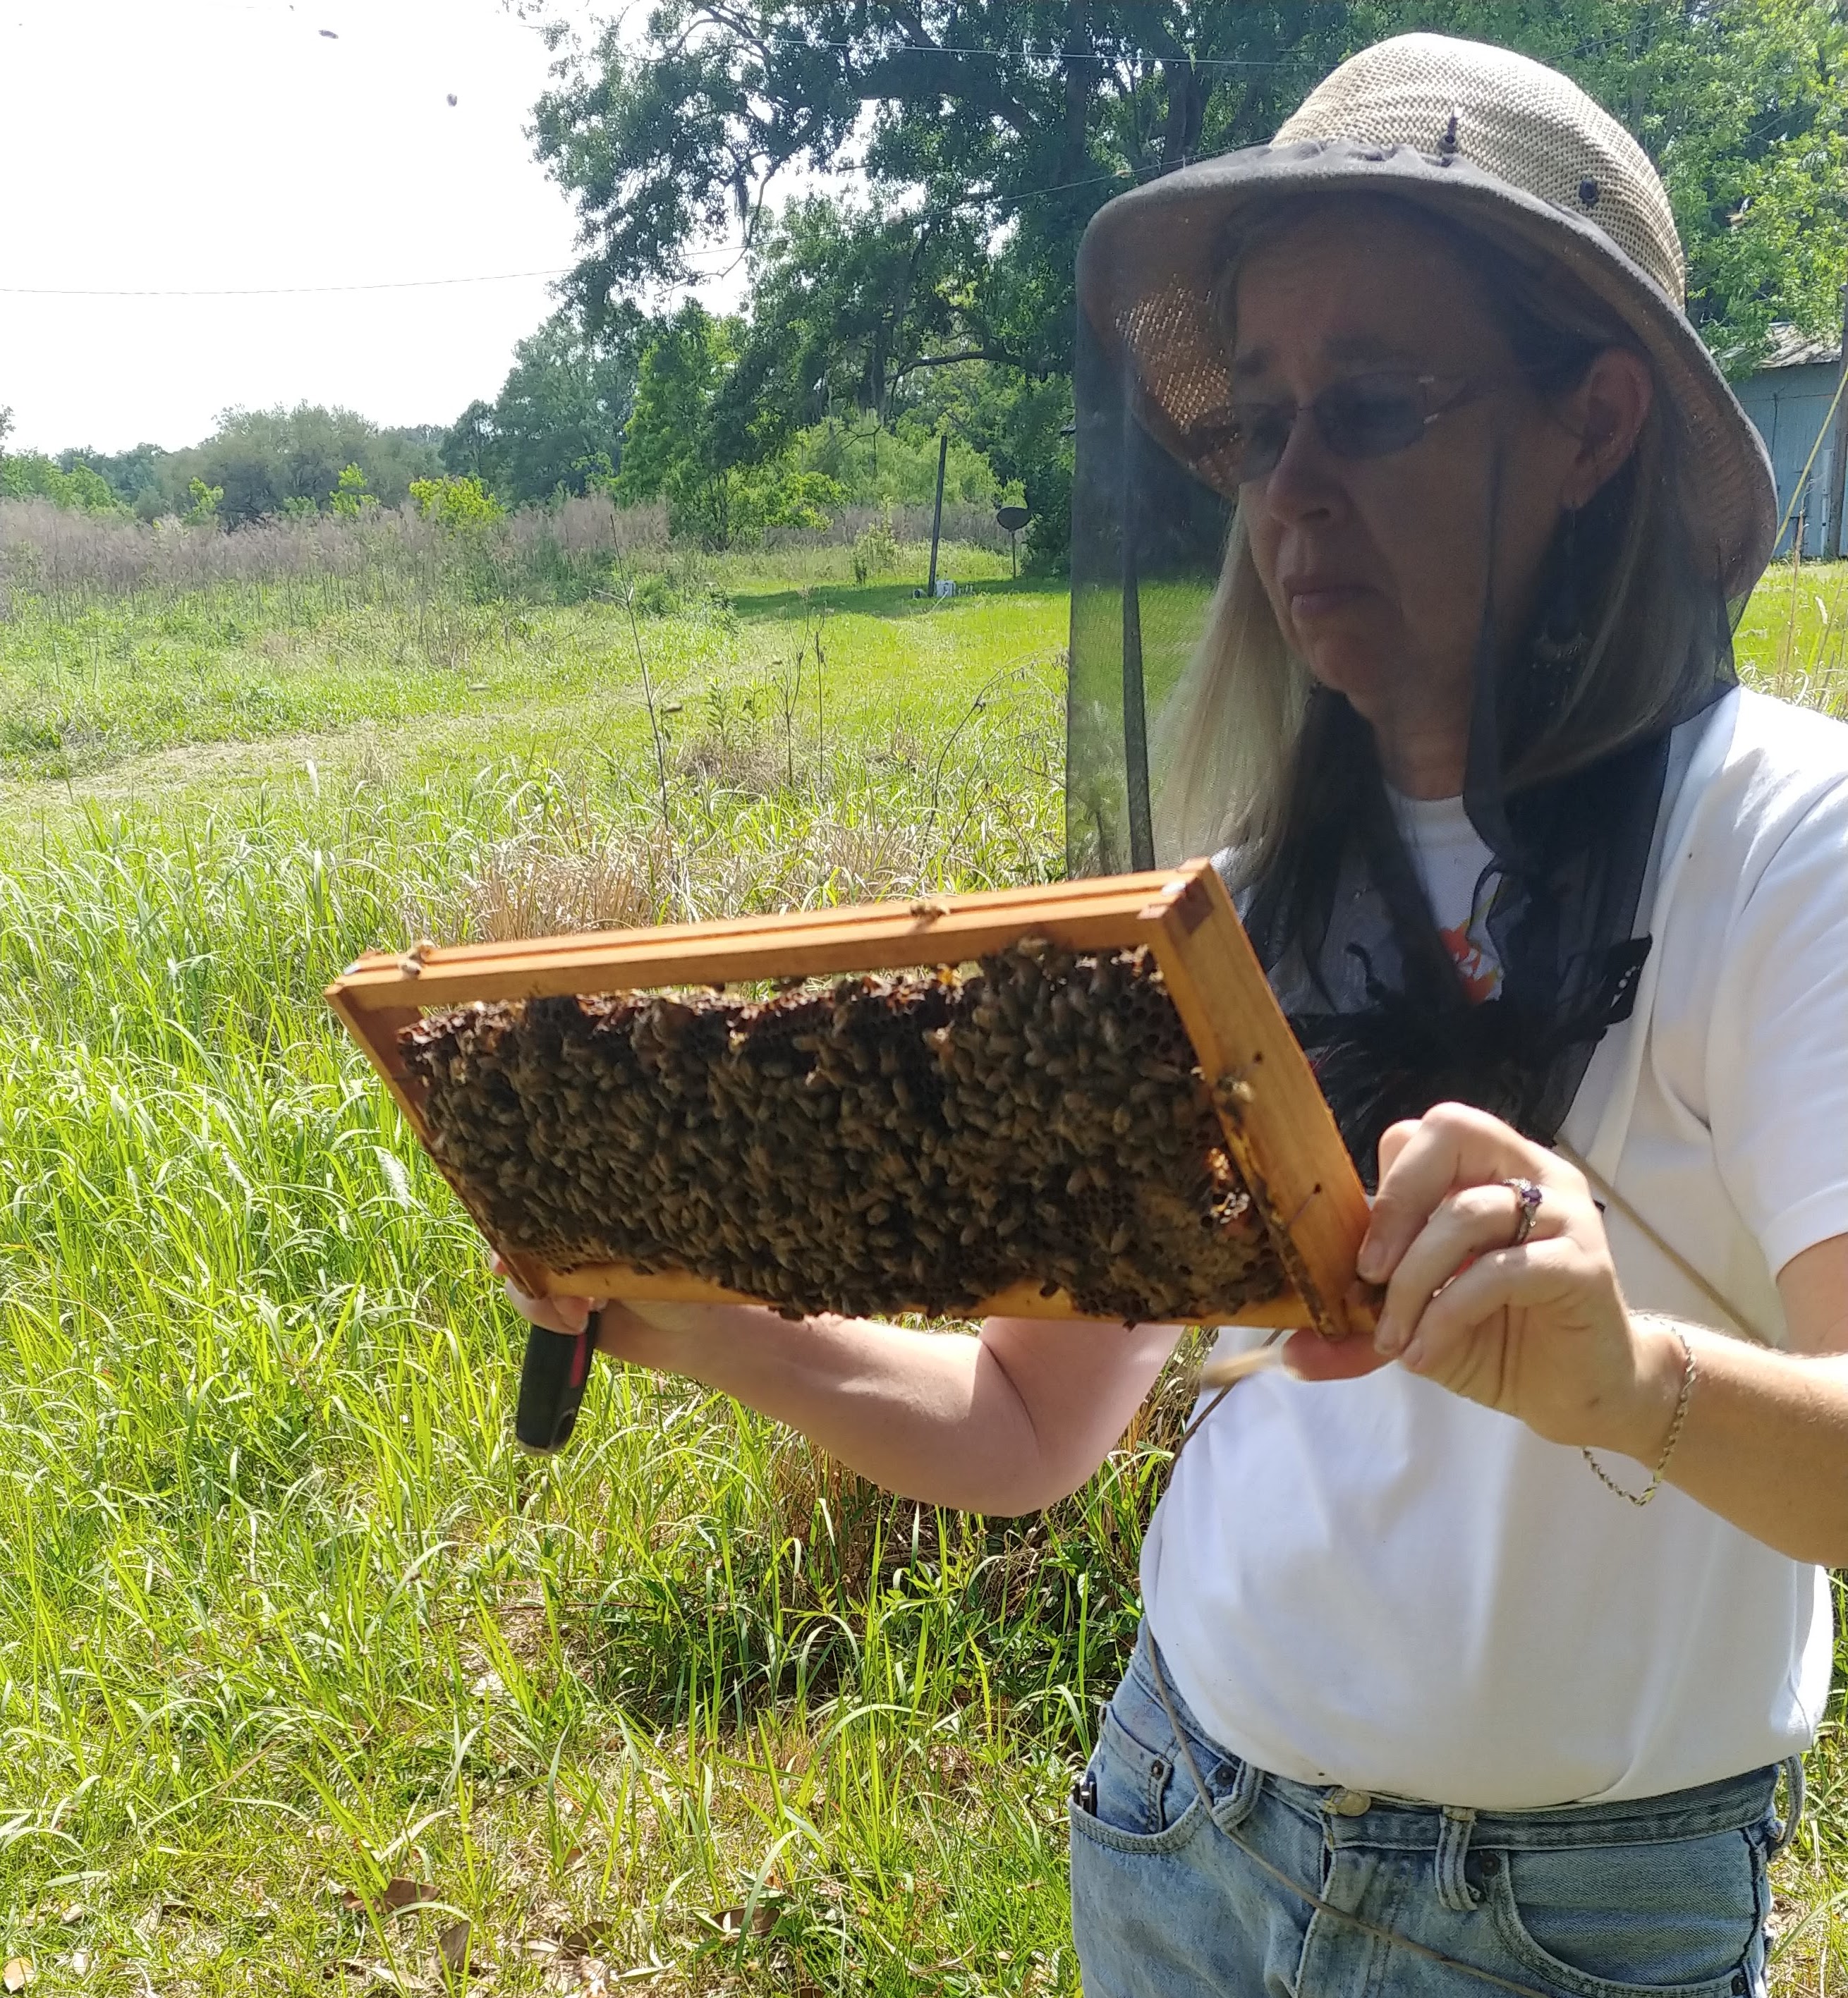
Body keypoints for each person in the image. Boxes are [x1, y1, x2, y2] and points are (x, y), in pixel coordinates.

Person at [503, 35, 1848, 1997]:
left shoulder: (1781, 843)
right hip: (1177, 1823)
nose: (1288, 494)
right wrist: (710, 1320)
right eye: (1254, 429)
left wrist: (1622, 1374)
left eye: (1371, 408)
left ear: (1591, 427)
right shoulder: (1241, 887)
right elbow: (1030, 1418)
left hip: (1561, 1921)